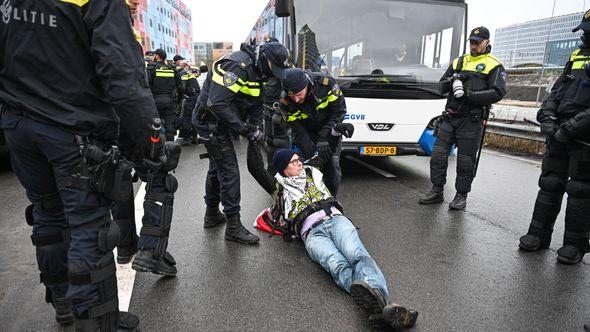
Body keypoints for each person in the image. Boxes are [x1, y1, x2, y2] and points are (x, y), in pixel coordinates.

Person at [0, 0, 158, 330]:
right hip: (72, 129)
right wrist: (150, 138)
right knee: (91, 228)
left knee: (47, 215)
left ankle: (63, 304)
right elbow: (122, 73)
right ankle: (97, 321)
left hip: (18, 125)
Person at [266, 148, 418, 330]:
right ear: (283, 168)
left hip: (335, 220)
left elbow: (327, 150)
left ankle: (381, 307)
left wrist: (335, 131)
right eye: (293, 162)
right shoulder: (279, 187)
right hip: (312, 233)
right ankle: (387, 309)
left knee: (356, 254)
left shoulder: (311, 171)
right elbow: (255, 168)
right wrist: (252, 138)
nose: (299, 163)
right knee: (336, 265)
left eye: (299, 159)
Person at [194, 41, 290, 244]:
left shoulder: (259, 73)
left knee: (217, 168)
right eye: (275, 69)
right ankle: (233, 226)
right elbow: (217, 103)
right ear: (266, 59)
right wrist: (245, 129)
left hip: (223, 122)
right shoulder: (237, 66)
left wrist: (255, 128)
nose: (275, 75)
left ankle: (211, 214)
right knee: (229, 172)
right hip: (210, 122)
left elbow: (255, 103)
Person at [518, 11, 590, 265]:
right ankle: (538, 235)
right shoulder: (576, 55)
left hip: (583, 138)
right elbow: (558, 90)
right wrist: (547, 116)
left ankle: (574, 245)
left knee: (581, 190)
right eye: (584, 29)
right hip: (559, 132)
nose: (584, 34)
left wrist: (571, 127)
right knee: (550, 183)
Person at [419, 26, 506, 210]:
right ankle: (437, 190)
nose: (473, 46)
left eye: (477, 43)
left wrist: (470, 94)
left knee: (466, 160)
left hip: (471, 121)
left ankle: (461, 195)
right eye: (471, 43)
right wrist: (451, 82)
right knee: (438, 156)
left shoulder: (493, 64)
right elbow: (440, 87)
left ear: (487, 42)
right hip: (450, 117)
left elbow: (498, 92)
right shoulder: (459, 62)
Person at [279, 67, 347, 196]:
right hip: (307, 134)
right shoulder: (286, 102)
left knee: (331, 164)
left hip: (330, 131)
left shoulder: (327, 85)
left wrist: (324, 137)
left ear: (307, 85)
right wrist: (311, 152)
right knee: (307, 167)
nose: (296, 100)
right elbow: (297, 129)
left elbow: (339, 112)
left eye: (299, 95)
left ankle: (331, 199)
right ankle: (310, 200)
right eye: (292, 96)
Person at [147, 49, 184, 141]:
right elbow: (180, 86)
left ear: (157, 56)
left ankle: (158, 147)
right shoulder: (172, 69)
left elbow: (147, 86)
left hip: (155, 101)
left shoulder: (151, 69)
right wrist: (179, 100)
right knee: (169, 125)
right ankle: (170, 146)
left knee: (156, 125)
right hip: (170, 101)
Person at [177, 63, 201, 146]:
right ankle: (194, 137)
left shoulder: (183, 74)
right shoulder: (190, 74)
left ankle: (187, 138)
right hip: (196, 97)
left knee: (186, 118)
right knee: (193, 117)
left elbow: (183, 87)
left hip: (190, 98)